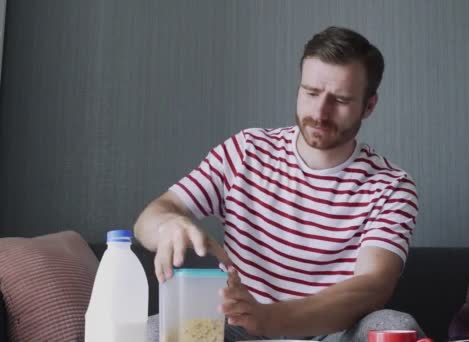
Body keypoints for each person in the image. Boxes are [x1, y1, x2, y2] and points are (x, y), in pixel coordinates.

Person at [135, 26, 423, 342]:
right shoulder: (246, 151)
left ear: (369, 106)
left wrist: (271, 318)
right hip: (239, 332)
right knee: (154, 330)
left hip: (333, 336)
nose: (320, 112)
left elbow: (372, 286)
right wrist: (169, 226)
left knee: (394, 323)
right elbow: (153, 215)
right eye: (311, 92)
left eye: (340, 100)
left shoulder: (391, 186)